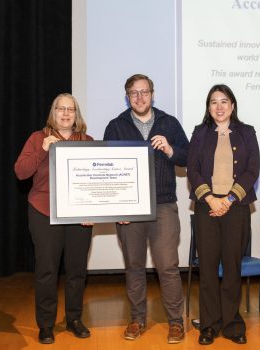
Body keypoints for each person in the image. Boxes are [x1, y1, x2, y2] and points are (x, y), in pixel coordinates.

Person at [103, 74, 189, 344]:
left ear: (153, 93)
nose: (139, 97)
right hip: (129, 209)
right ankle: (137, 319)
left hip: (163, 204)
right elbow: (107, 169)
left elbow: (187, 157)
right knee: (134, 267)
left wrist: (170, 149)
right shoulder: (116, 126)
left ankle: (176, 323)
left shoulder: (169, 122)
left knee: (168, 267)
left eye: (144, 92)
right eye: (133, 93)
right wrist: (119, 207)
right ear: (127, 96)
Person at [14, 93, 93, 344]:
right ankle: (46, 325)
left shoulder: (87, 141)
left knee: (77, 270)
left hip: (79, 216)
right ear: (53, 112)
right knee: (47, 271)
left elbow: (95, 179)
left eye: (71, 109)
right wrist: (43, 151)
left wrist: (93, 210)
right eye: (61, 108)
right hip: (44, 212)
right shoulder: (38, 138)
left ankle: (74, 319)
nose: (66, 113)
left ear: (76, 114)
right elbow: (20, 172)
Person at [187, 84, 260, 345]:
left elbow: (252, 170)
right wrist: (209, 198)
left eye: (224, 101)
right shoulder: (199, 133)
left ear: (232, 105)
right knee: (207, 270)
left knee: (232, 268)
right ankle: (209, 325)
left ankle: (232, 324)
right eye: (214, 102)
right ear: (208, 107)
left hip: (236, 208)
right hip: (207, 209)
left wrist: (228, 199)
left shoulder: (247, 132)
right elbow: (192, 170)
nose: (219, 107)